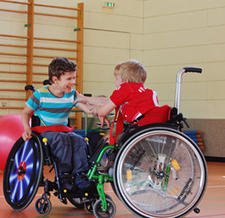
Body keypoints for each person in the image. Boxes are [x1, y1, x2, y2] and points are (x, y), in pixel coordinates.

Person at [21, 57, 93, 191]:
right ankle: (63, 176)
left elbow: (87, 109)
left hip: (63, 130)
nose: (73, 82)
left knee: (79, 141)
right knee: (63, 139)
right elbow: (25, 113)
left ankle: (80, 175)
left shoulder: (71, 94)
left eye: (73, 78)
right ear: (55, 80)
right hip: (46, 131)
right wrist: (26, 128)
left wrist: (101, 112)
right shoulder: (40, 95)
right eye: (69, 79)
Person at [75, 59, 170, 134]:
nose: (115, 82)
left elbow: (103, 111)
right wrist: (84, 99)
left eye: (117, 79)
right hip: (154, 127)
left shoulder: (125, 88)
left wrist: (96, 109)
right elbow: (110, 101)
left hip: (141, 129)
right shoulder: (144, 91)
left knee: (117, 140)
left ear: (126, 81)